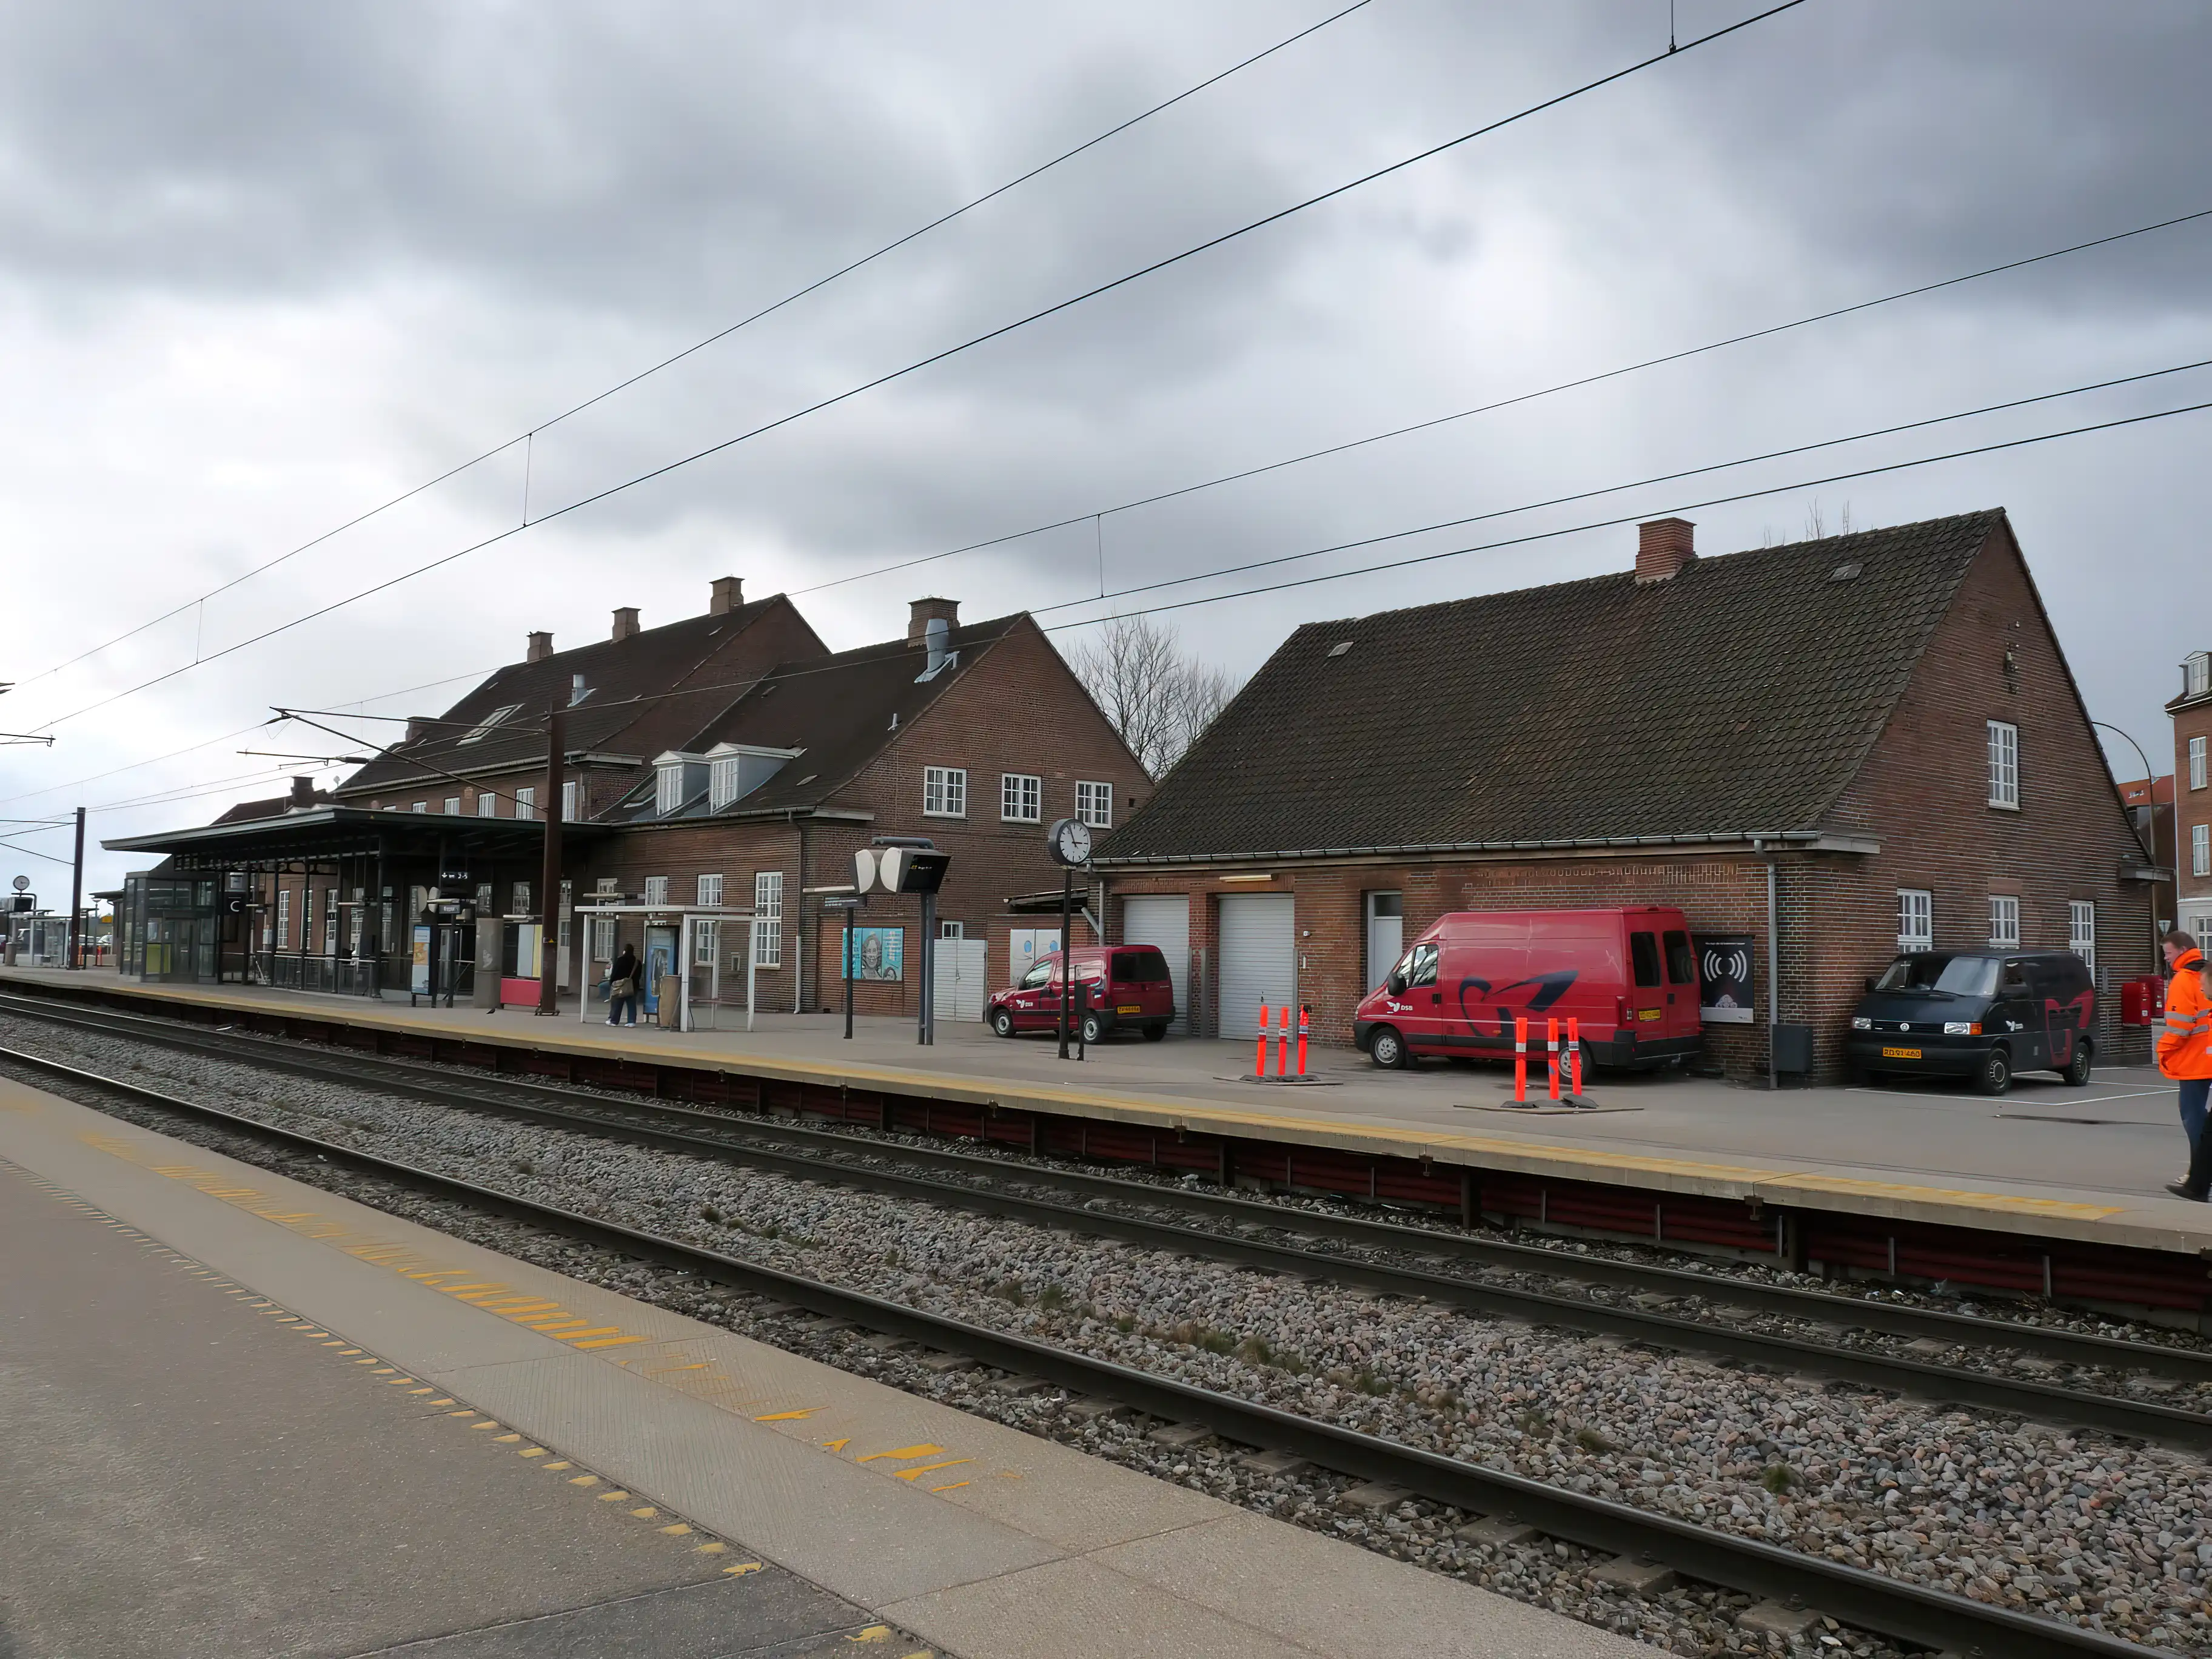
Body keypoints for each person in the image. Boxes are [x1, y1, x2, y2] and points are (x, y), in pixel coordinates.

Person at [2159, 930, 2212, 1200]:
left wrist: (2163, 1051)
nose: (2166, 959)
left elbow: (2180, 1027)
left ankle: (2199, 1174)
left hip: (2194, 1062)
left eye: (2168, 953)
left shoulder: (2182, 980)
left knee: (2194, 1118)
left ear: (2181, 951)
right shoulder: (2206, 973)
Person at [606, 940, 640, 1028]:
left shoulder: (621, 960)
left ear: (625, 950)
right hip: (633, 986)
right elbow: (639, 975)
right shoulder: (637, 962)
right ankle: (631, 1021)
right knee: (632, 1005)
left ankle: (614, 1021)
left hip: (621, 985)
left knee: (618, 1003)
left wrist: (612, 982)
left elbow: (615, 973)